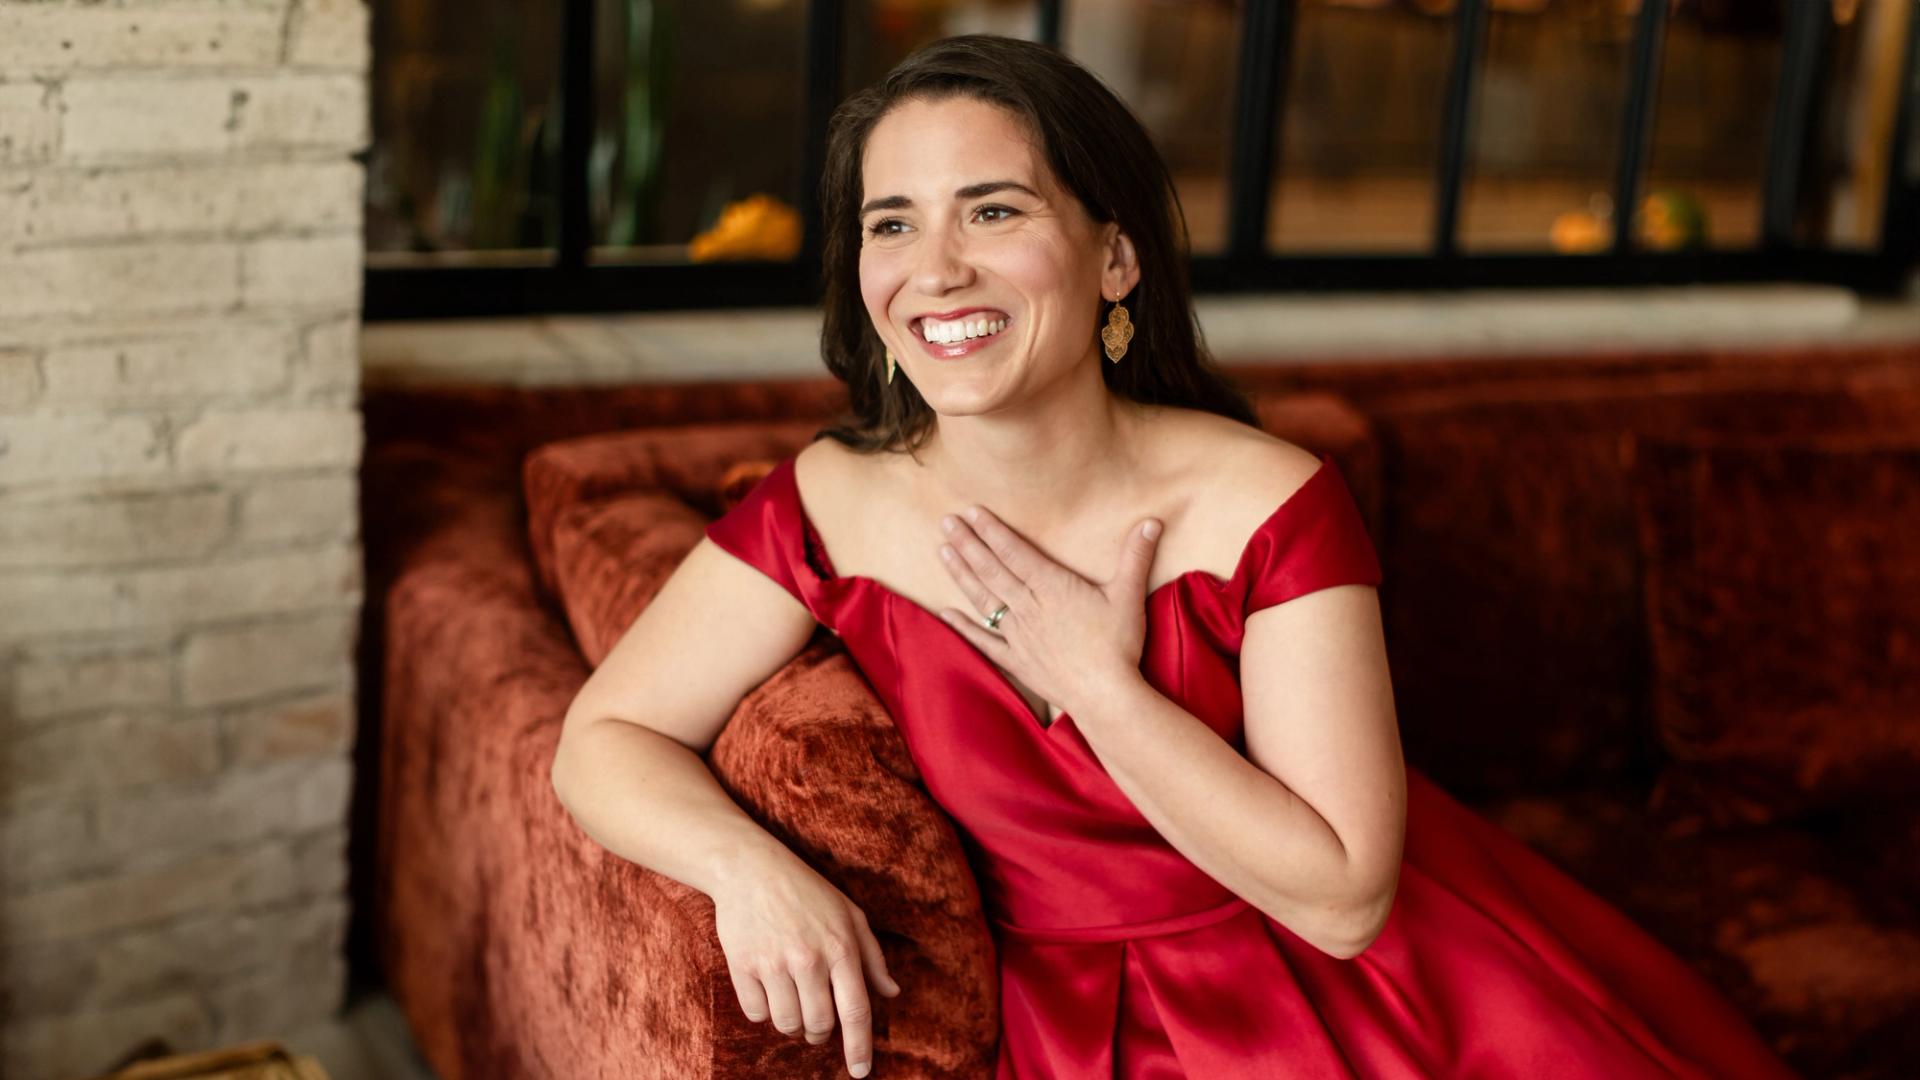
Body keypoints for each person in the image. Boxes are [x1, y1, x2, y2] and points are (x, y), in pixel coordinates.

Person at [551, 33, 1800, 1080]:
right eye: (894, 224)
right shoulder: (831, 502)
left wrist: (1097, 686)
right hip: (1053, 1020)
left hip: (1347, 1004)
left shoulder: (1268, 501)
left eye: (994, 209)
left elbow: (1344, 897)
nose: (936, 269)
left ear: (1114, 255)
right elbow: (603, 739)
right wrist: (743, 867)